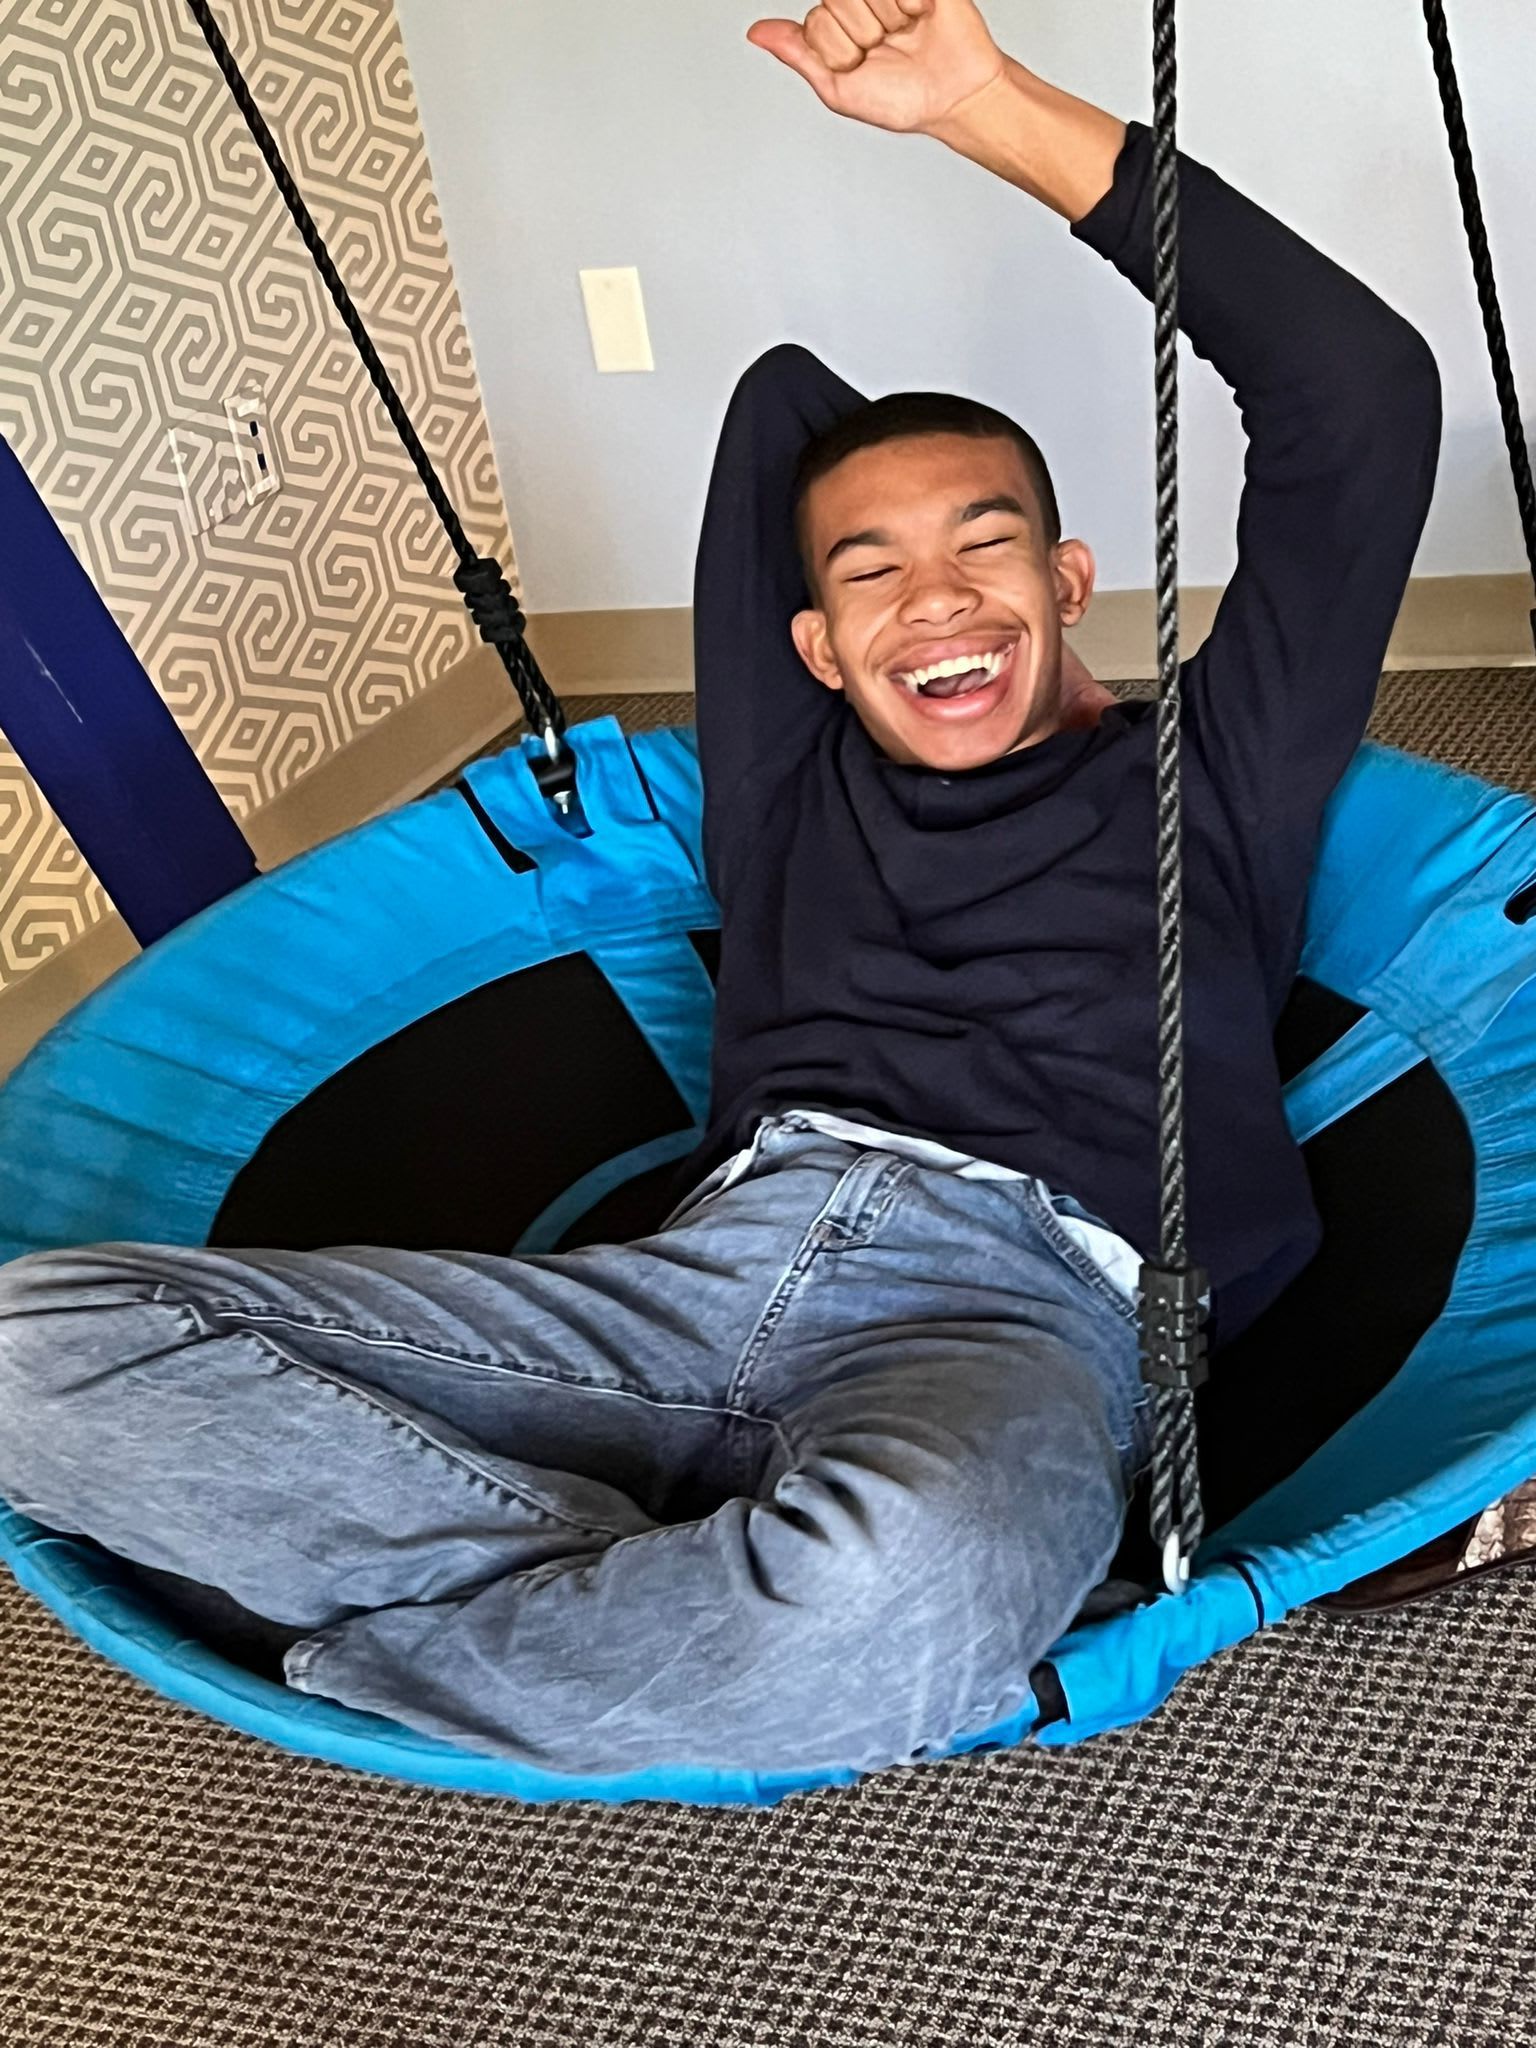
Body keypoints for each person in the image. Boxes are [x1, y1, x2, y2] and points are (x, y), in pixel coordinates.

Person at [0, 0, 1439, 1782]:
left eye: (988, 544)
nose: (938, 600)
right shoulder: (787, 780)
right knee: (29, 1352)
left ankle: (470, 1638)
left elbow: (1359, 397)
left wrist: (985, 106)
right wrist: (875, 530)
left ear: (1073, 579)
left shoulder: (1213, 771)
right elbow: (781, 408)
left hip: (1031, 1314)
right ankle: (650, 1625)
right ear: (810, 646)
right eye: (871, 575)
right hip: (694, 1276)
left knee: (909, 1582)